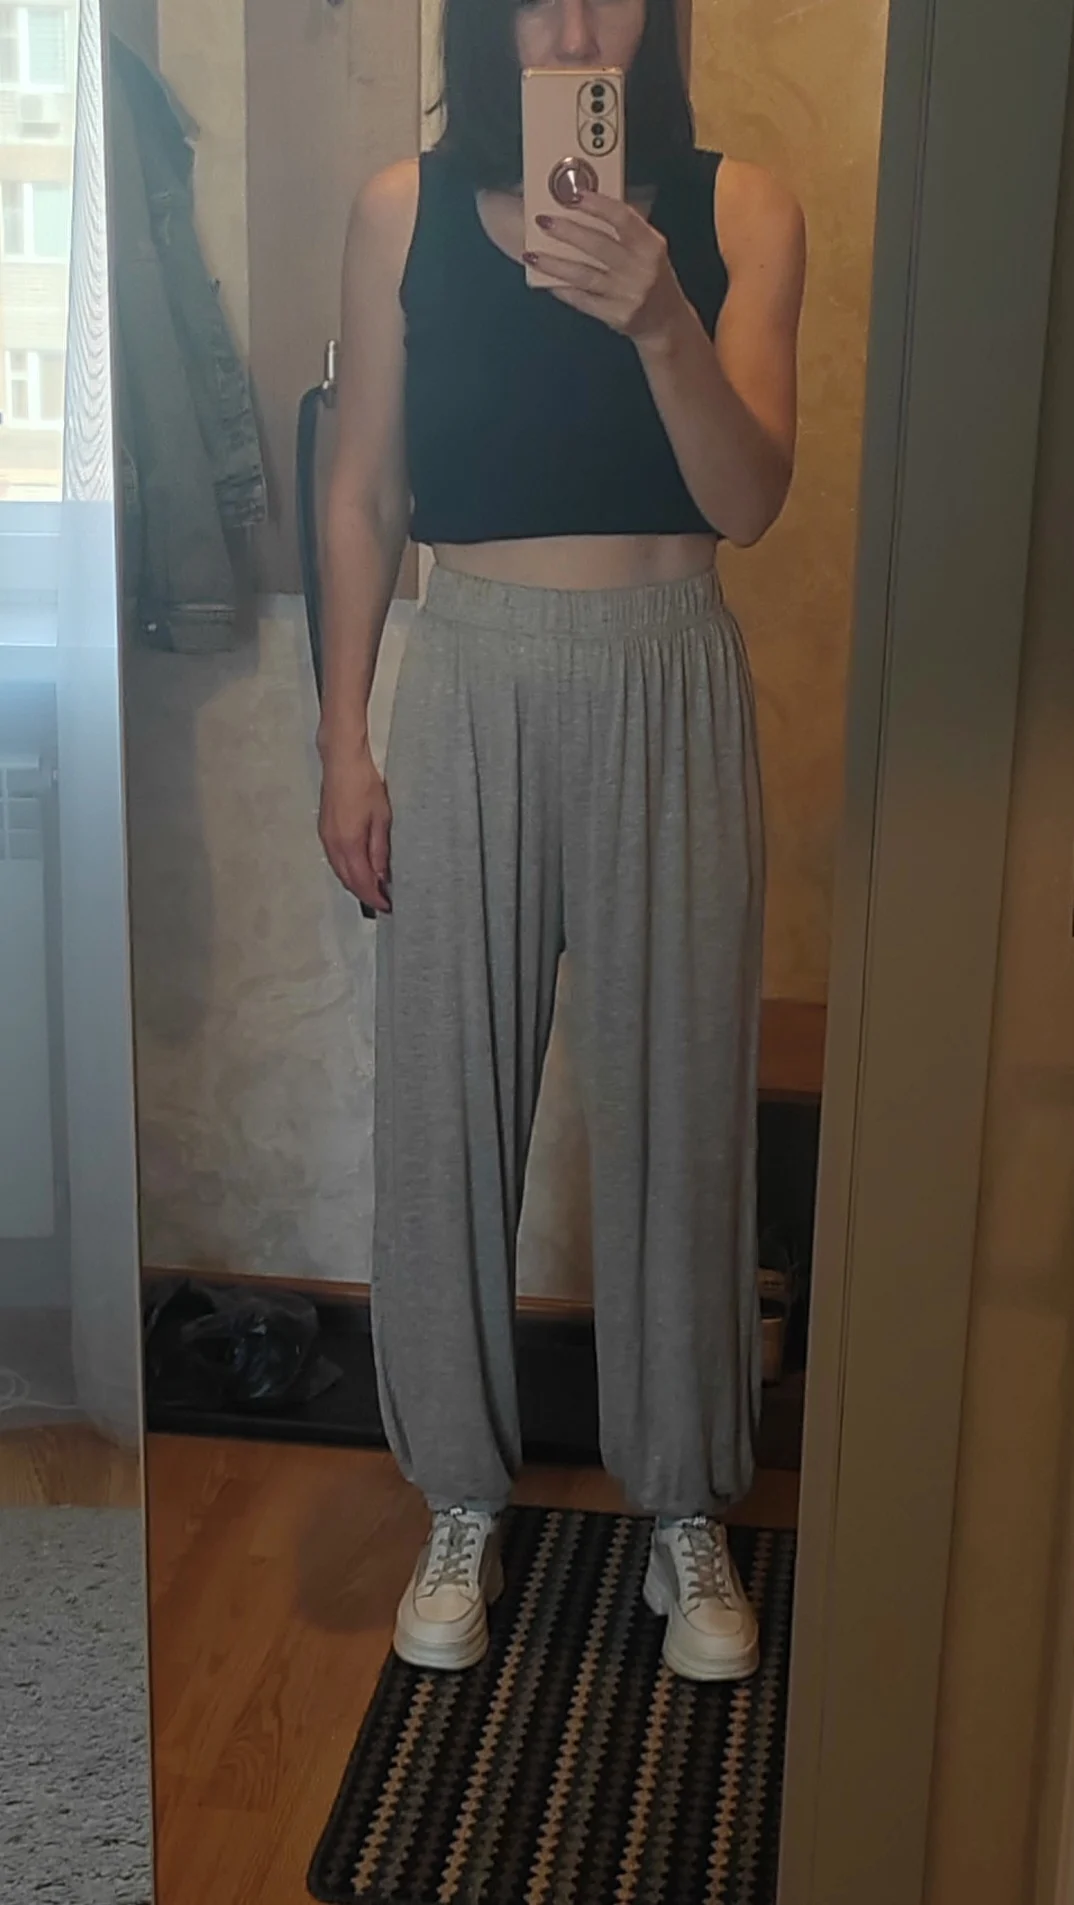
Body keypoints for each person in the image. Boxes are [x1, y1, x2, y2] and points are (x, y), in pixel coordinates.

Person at [317, 0, 805, 1683]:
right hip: (468, 672)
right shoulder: (400, 210)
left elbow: (748, 501)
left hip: (669, 670)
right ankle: (461, 1491)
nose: (573, 26)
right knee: (447, 1094)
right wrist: (341, 739)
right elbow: (362, 492)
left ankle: (683, 1502)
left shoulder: (741, 212)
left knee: (680, 1094)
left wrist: (663, 320)